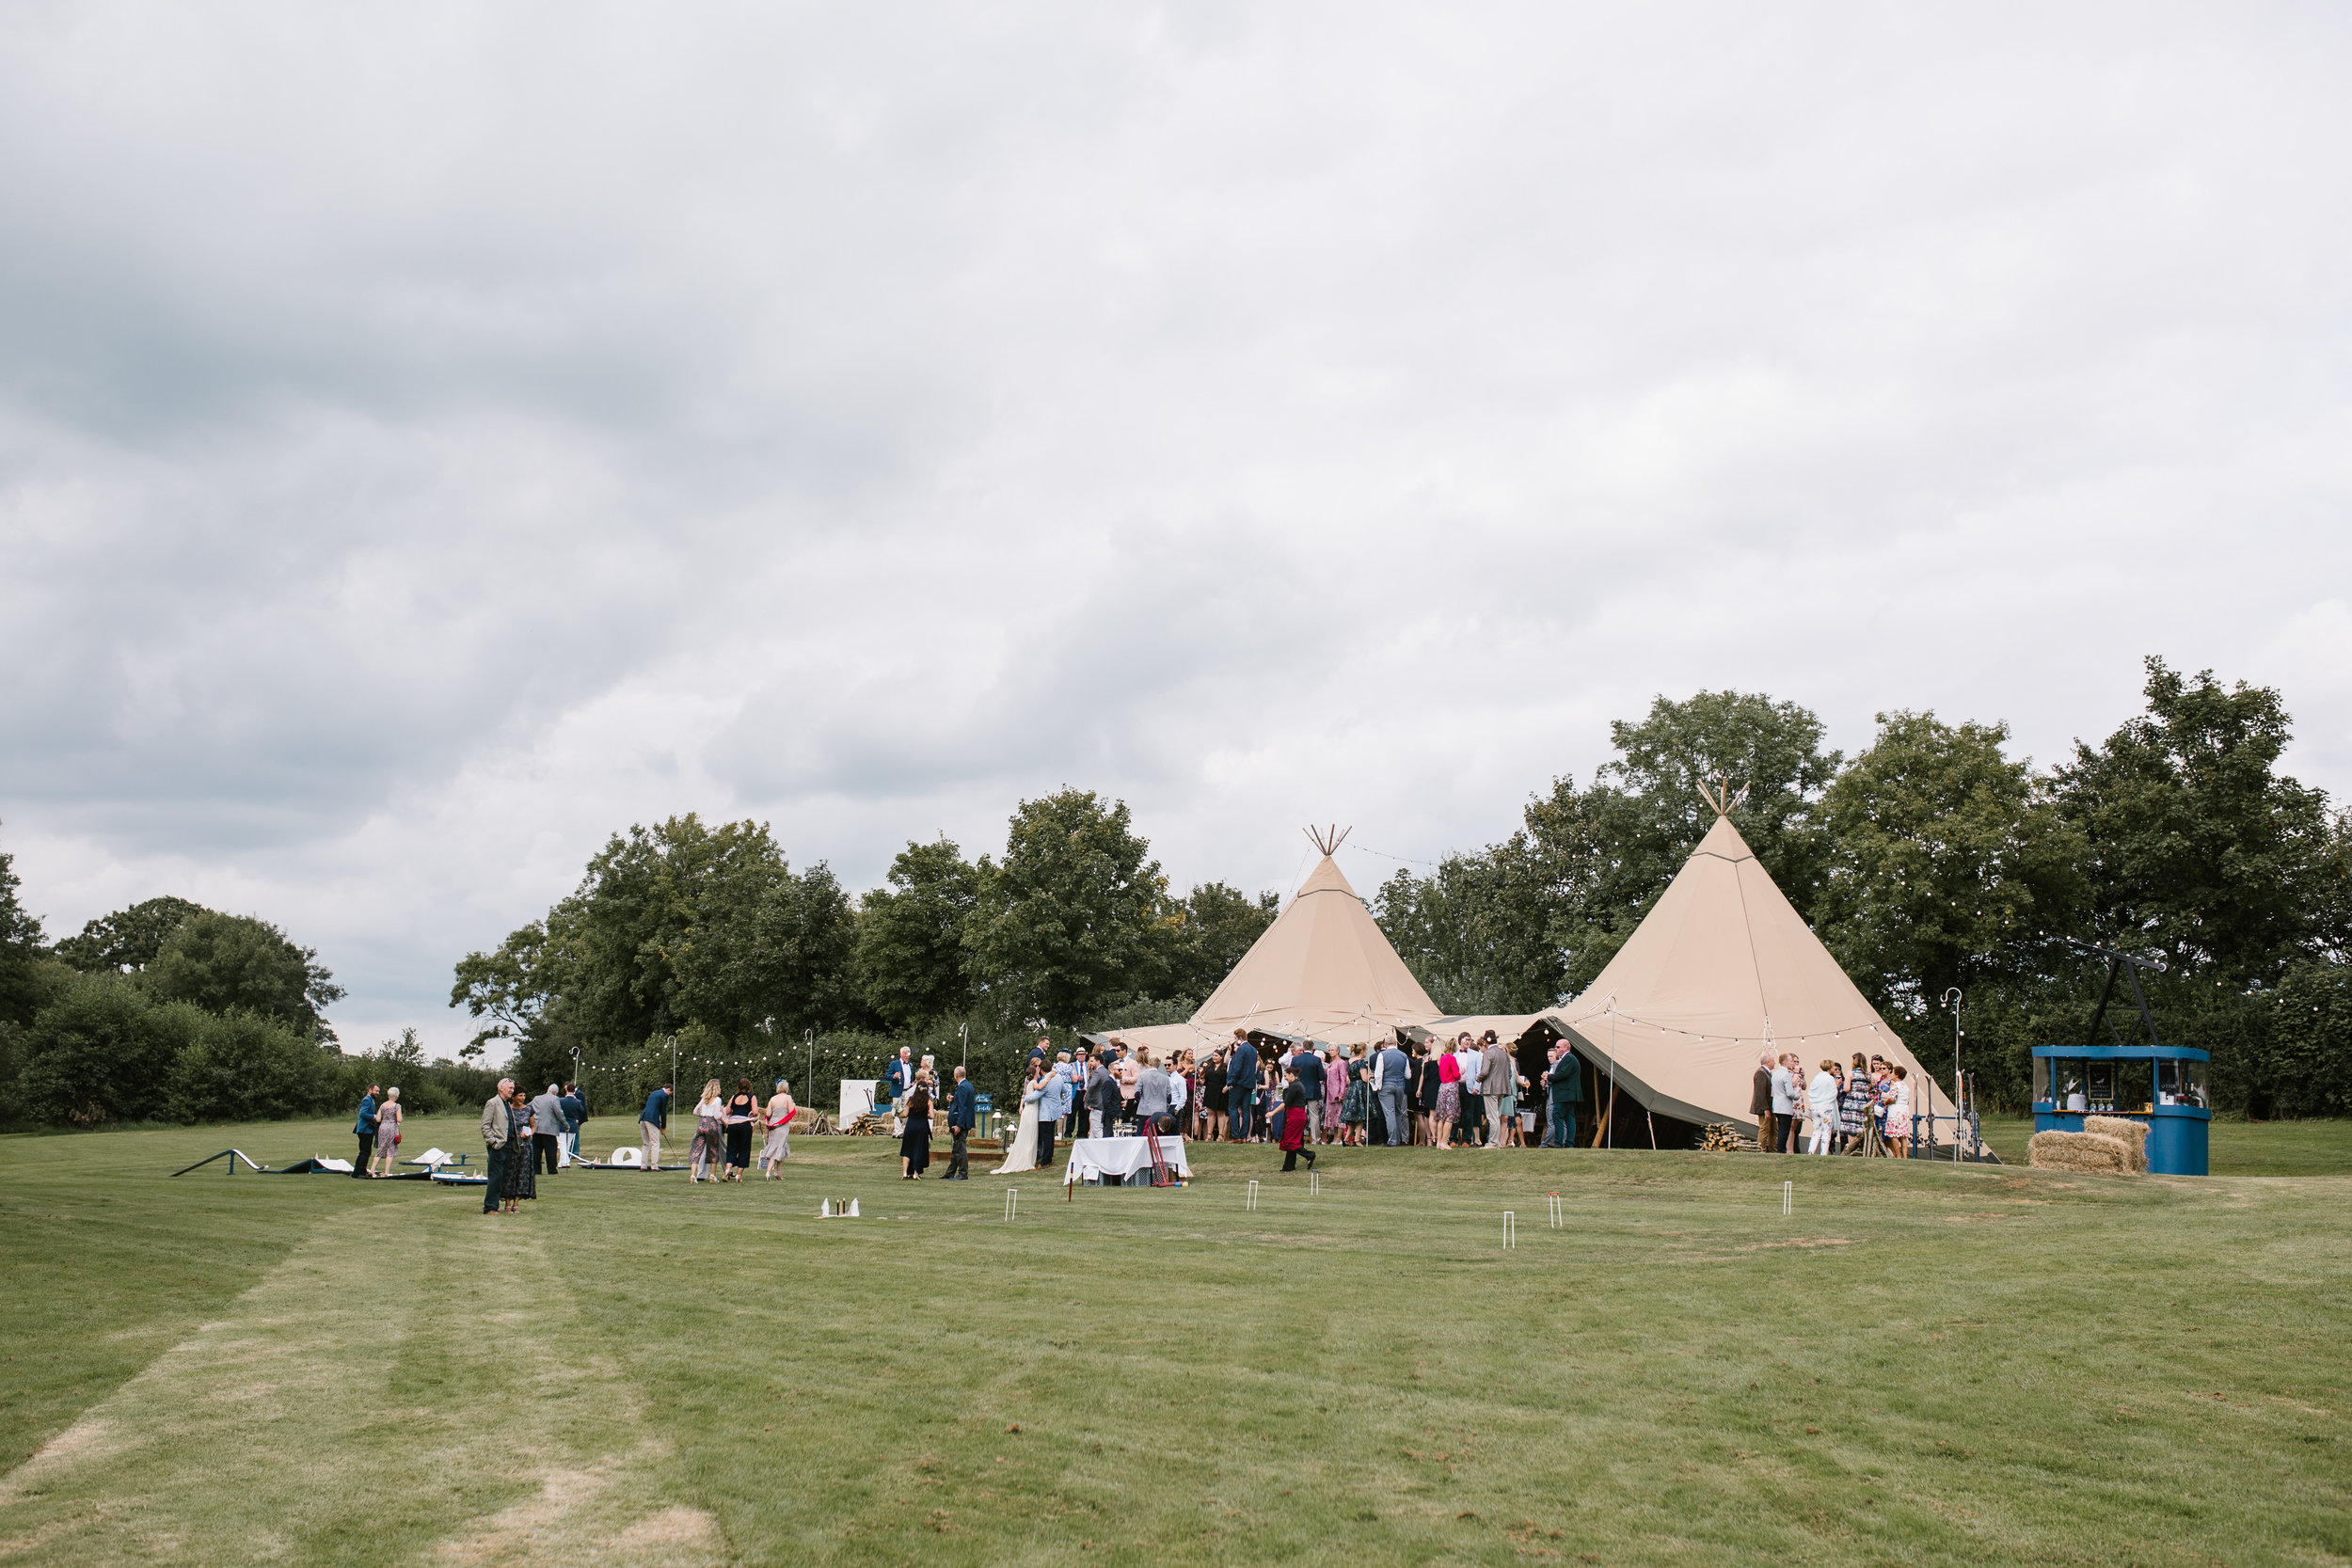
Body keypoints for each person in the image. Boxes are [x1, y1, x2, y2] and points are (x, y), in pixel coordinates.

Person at [994, 1059, 1046, 1175]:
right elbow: (1040, 1087)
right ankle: (1027, 1160)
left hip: (1030, 1109)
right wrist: (1050, 1077)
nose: (1039, 1071)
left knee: (1028, 1135)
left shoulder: (1030, 1082)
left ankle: (1027, 1158)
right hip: (1031, 1111)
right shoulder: (1033, 1083)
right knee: (1030, 1135)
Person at [480, 1077, 516, 1215]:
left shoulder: (507, 1104)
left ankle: (496, 1204)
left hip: (509, 1145)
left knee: (502, 1177)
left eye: (513, 1088)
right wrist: (493, 1142)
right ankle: (490, 1207)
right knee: (495, 1177)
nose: (512, 1091)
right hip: (498, 1146)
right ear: (501, 1088)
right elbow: (485, 1126)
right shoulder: (493, 1103)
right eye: (510, 1088)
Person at [501, 1085, 536, 1212]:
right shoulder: (507, 1110)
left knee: (522, 1173)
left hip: (524, 1145)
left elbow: (533, 1126)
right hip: (510, 1144)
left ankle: (516, 1204)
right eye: (520, 1095)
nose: (523, 1098)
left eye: (524, 1096)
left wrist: (529, 1134)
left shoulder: (528, 1110)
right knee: (509, 1173)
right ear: (514, 1097)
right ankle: (507, 1203)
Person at [1277, 1065, 1317, 1172]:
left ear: (1291, 1075)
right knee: (1295, 1141)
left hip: (1295, 1116)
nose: (1284, 1078)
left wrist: (1272, 1113)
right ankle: (1288, 1166)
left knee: (1290, 1142)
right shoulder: (1296, 1085)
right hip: (1297, 1115)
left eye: (1285, 1076)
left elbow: (1286, 1102)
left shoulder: (1295, 1086)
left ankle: (1309, 1155)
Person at [1545, 1044, 1583, 1148]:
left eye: (1558, 1047)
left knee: (1557, 1114)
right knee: (1569, 1117)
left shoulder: (1569, 1058)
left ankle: (1559, 1142)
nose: (1556, 1049)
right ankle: (1569, 1143)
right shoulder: (1568, 1058)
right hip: (1568, 1093)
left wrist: (1549, 1077)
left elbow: (1563, 1074)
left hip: (1565, 1093)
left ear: (1565, 1048)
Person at [1481, 1033, 1515, 1148]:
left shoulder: (1488, 1053)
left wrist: (1478, 1078)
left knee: (1492, 1116)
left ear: (1485, 1041)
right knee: (1497, 1115)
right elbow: (1509, 1073)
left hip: (1490, 1088)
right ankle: (1496, 1142)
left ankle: (1493, 1143)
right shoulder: (1504, 1054)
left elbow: (1485, 1071)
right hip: (1503, 1088)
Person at [688, 1080, 725, 1182]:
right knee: (713, 1149)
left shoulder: (704, 1099)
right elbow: (717, 1115)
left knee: (697, 1149)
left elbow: (695, 1111)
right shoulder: (717, 1100)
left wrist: (703, 1115)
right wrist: (722, 1116)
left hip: (701, 1123)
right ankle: (712, 1175)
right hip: (711, 1124)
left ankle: (692, 1175)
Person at [723, 1077, 758, 1182]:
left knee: (732, 1149)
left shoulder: (734, 1097)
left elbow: (728, 1110)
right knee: (744, 1149)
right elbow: (755, 1112)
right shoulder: (752, 1097)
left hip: (733, 1125)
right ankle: (738, 1175)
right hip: (744, 1125)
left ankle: (727, 1170)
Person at [1226, 1030, 1260, 1142]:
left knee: (1233, 1107)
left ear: (1240, 1037)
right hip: (1249, 1083)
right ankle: (1244, 1136)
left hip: (1239, 1083)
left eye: (1235, 1038)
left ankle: (1236, 1135)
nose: (1235, 1041)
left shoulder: (1241, 1049)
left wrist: (1231, 1082)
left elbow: (1237, 1067)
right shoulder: (1254, 1050)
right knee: (1246, 1110)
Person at [945, 1065, 977, 1180]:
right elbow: (964, 1101)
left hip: (961, 1123)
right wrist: (954, 1098)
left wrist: (958, 1125)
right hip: (965, 1121)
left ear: (956, 1075)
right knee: (956, 1147)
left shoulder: (962, 1087)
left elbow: (963, 1107)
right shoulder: (968, 1085)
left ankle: (963, 1173)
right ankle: (950, 1172)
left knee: (960, 1147)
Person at [900, 1072, 933, 1179]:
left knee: (907, 1149)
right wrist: (926, 1115)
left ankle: (905, 1173)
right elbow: (932, 1116)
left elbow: (905, 1114)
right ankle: (915, 1173)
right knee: (918, 1149)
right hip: (922, 1126)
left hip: (910, 1125)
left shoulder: (911, 1100)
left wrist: (897, 1114)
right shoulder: (928, 1102)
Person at [761, 1078, 796, 1177]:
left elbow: (768, 1113)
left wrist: (768, 1122)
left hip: (773, 1124)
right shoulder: (787, 1097)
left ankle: (778, 1172)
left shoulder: (772, 1099)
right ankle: (768, 1171)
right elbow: (792, 1111)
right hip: (782, 1125)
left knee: (781, 1146)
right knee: (778, 1147)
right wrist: (781, 1122)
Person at [531, 1084, 566, 1176]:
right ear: (555, 1092)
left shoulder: (536, 1098)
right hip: (549, 1129)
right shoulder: (554, 1099)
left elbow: (528, 1108)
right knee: (551, 1150)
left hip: (536, 1128)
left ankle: (536, 1170)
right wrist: (565, 1124)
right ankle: (552, 1170)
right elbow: (559, 1112)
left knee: (536, 1151)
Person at [366, 1086, 403, 1176]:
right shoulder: (397, 1106)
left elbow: (378, 1119)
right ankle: (386, 1172)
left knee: (381, 1148)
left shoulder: (383, 1105)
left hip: (382, 1128)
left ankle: (372, 1170)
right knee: (391, 1149)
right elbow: (399, 1119)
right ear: (396, 1096)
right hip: (392, 1128)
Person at [1805, 1060, 1839, 1154]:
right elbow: (1833, 1092)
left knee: (1816, 1130)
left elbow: (1811, 1091)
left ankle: (1811, 1151)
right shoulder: (1829, 1078)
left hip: (1815, 1106)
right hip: (1826, 1107)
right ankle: (1823, 1152)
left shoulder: (1817, 1077)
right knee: (1827, 1130)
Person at [1434, 1041, 1463, 1149]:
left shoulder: (1442, 1059)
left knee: (1442, 1116)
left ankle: (1439, 1142)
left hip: (1442, 1087)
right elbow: (1456, 1075)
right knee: (1449, 1117)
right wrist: (1461, 1072)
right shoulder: (1451, 1058)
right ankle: (1445, 1142)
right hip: (1451, 1088)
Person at [1136, 1053, 1173, 1134]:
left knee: (1141, 1134)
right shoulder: (1165, 1078)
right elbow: (1169, 1097)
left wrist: (1141, 1101)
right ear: (1159, 1064)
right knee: (1159, 1134)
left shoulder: (1142, 1076)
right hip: (1161, 1110)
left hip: (1145, 1109)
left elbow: (1137, 1093)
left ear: (1149, 1063)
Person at [1770, 1053, 1799, 1153]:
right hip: (1785, 1106)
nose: (1792, 1063)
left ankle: (1780, 1148)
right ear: (1785, 1062)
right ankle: (1781, 1149)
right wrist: (1797, 1096)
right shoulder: (1787, 1074)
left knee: (1780, 1128)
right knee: (1784, 1129)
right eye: (1791, 1061)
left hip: (1777, 1104)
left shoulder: (1775, 1074)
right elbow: (1789, 1092)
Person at [1883, 1065, 1914, 1158]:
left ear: (1897, 1075)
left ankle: (1898, 1155)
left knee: (1894, 1134)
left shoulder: (1895, 1085)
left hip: (1895, 1111)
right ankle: (1905, 1156)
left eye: (1893, 1072)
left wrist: (1885, 1102)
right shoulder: (1906, 1086)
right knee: (1903, 1135)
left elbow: (1892, 1098)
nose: (1891, 1074)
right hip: (1904, 1111)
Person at [640, 1082, 672, 1168]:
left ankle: (643, 1166)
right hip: (651, 1120)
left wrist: (659, 1124)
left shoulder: (654, 1093)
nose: (669, 1094)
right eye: (670, 1093)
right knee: (655, 1143)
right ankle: (654, 1166)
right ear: (668, 1090)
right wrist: (664, 1127)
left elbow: (653, 1108)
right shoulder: (664, 1095)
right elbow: (663, 1112)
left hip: (643, 1118)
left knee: (646, 1144)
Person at [352, 1084, 380, 1178]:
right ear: (370, 1090)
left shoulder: (371, 1100)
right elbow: (363, 1114)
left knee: (364, 1151)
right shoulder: (367, 1100)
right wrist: (374, 1116)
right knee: (365, 1151)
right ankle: (360, 1172)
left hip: (367, 1130)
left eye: (378, 1091)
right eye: (376, 1091)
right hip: (365, 1130)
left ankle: (357, 1172)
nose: (377, 1093)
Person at [1751, 1053, 1776, 1156]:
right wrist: (1765, 1109)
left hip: (1771, 1107)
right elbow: (1760, 1093)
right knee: (1764, 1129)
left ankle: (1773, 1149)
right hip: (1764, 1107)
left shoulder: (1768, 1073)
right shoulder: (1761, 1073)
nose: (1775, 1063)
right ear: (1768, 1062)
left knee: (1774, 1129)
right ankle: (1761, 1150)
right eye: (1773, 1061)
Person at [884, 1047, 915, 1132]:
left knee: (905, 1111)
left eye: (908, 1054)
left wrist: (912, 1083)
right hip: (897, 1091)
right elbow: (887, 1075)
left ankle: (897, 1131)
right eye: (905, 1053)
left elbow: (909, 1078)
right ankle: (898, 1131)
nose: (906, 1055)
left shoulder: (910, 1065)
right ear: (901, 1054)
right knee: (896, 1110)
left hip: (907, 1091)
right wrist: (894, 1076)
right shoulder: (894, 1064)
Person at [1200, 1051, 1228, 1141]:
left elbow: (1229, 1078)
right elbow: (1205, 1080)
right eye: (1213, 1056)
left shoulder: (1225, 1067)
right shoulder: (1209, 1067)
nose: (1214, 1057)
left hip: (1221, 1091)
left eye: (1216, 1056)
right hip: (1210, 1091)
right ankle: (1209, 1134)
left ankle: (1221, 1135)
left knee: (1220, 1113)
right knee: (1210, 1113)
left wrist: (1227, 1087)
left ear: (1221, 1057)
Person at [559, 1084, 586, 1160]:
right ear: (574, 1090)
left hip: (562, 1125)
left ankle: (565, 1161)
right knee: (568, 1143)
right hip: (572, 1124)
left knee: (563, 1144)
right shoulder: (577, 1102)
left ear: (566, 1090)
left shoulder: (561, 1100)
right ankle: (563, 1161)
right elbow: (582, 1110)